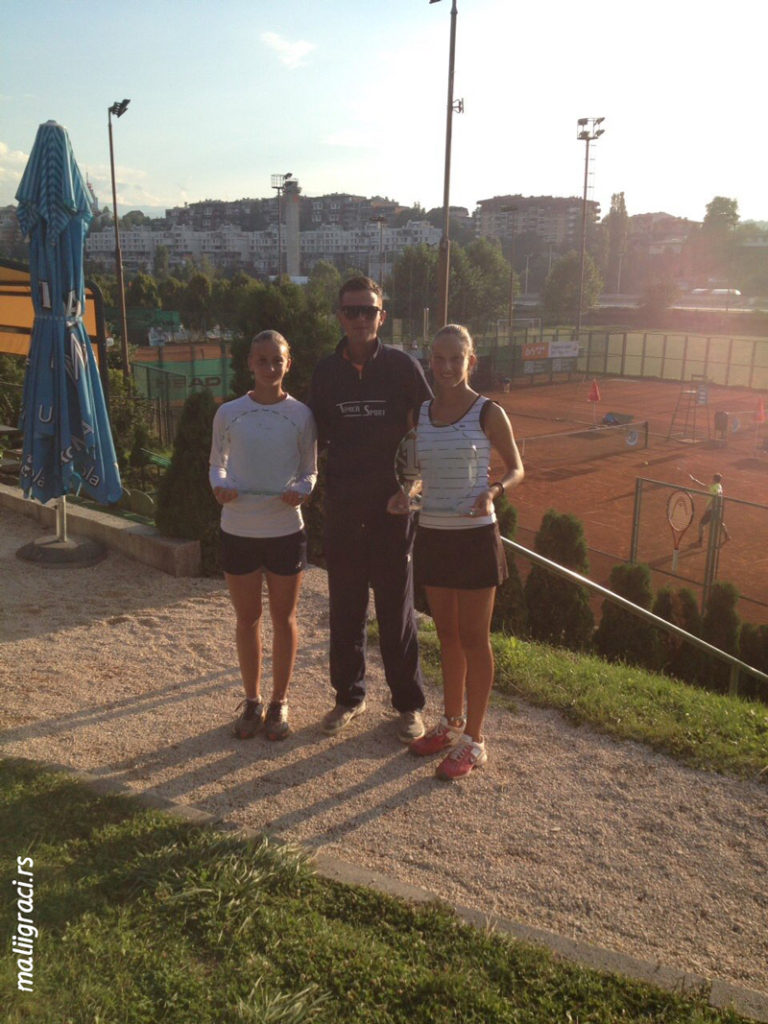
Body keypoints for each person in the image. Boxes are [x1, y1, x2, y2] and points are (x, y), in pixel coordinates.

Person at [388, 324, 524, 780]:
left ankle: (475, 741)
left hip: (474, 537)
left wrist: (494, 491)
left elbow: (517, 468)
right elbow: (420, 473)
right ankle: (450, 725)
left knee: (474, 639)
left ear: (471, 361)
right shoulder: (420, 414)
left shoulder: (488, 413)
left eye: (455, 359)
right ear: (431, 360)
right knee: (446, 636)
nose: (446, 367)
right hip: (433, 534)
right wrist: (407, 494)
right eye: (439, 358)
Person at [308, 275, 432, 742]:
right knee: (345, 607)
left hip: (393, 510)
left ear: (382, 316)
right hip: (342, 507)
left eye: (369, 310)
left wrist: (413, 490)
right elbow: (310, 437)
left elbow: (429, 430)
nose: (360, 319)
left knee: (396, 610)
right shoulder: (325, 372)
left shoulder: (403, 367)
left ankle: (408, 705)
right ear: (340, 315)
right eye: (351, 310)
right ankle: (349, 697)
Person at [209, 330, 317, 741]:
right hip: (238, 528)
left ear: (288, 364)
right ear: (249, 364)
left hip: (285, 529)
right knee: (247, 619)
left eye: (277, 360)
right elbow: (216, 464)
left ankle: (280, 702)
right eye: (262, 360)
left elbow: (310, 470)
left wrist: (301, 491)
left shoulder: (302, 415)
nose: (270, 367)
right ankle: (252, 701)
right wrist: (219, 486)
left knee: (283, 618)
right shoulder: (228, 413)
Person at [690, 471, 730, 545]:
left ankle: (700, 541)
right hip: (717, 509)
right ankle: (727, 536)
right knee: (720, 523)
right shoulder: (715, 485)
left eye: (712, 478)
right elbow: (704, 486)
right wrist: (695, 481)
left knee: (701, 524)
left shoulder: (717, 486)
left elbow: (718, 493)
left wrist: (709, 507)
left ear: (714, 479)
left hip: (712, 509)